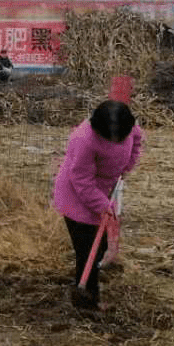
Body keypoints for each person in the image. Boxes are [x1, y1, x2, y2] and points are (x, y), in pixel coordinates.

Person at [52, 100, 144, 311]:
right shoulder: (83, 139)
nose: (115, 142)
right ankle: (88, 300)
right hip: (76, 196)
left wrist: (127, 165)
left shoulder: (128, 126)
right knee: (86, 250)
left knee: (100, 247)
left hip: (103, 190)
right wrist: (102, 204)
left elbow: (137, 140)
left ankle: (87, 283)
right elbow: (81, 180)